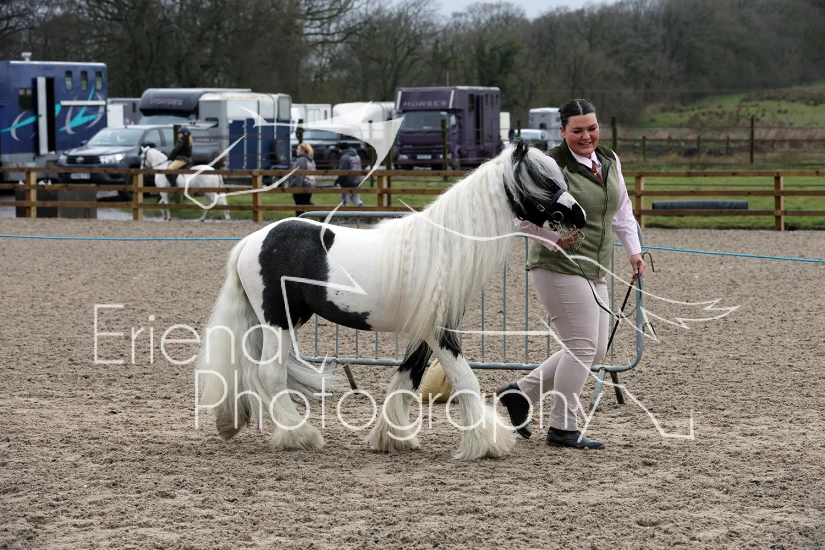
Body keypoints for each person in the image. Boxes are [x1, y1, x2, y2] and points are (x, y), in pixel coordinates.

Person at [498, 98, 646, 450]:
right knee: (581, 345)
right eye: (577, 130)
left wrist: (634, 251)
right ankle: (562, 427)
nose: (586, 136)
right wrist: (552, 239)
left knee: (595, 351)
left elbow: (622, 210)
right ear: (562, 131)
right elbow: (519, 215)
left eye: (592, 128)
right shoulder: (551, 164)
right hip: (558, 266)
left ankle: (521, 392)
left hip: (594, 266)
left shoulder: (609, 160)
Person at [288, 142, 316, 217]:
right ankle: (320, 214)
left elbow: (299, 175)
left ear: (302, 151)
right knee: (306, 203)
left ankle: (299, 220)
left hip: (302, 185)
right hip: (309, 185)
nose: (296, 150)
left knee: (299, 205)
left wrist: (298, 186)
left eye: (298, 149)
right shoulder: (310, 160)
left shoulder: (301, 160)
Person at [334, 142, 363, 206]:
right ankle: (364, 211)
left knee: (344, 201)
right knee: (356, 200)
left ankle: (346, 212)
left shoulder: (345, 158)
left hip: (348, 183)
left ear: (342, 149)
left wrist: (338, 181)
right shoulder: (357, 156)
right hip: (358, 181)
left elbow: (343, 172)